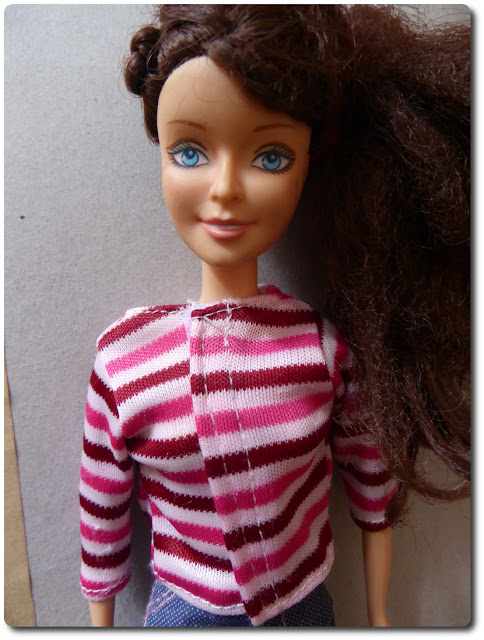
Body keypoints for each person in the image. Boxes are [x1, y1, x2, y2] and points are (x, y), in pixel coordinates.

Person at [79, 4, 470, 627]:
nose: (225, 189)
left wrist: (380, 613)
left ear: (309, 164)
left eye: (270, 158)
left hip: (303, 605)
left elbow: (373, 486)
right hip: (187, 609)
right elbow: (101, 516)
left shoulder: (322, 352)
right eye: (189, 152)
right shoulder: (125, 361)